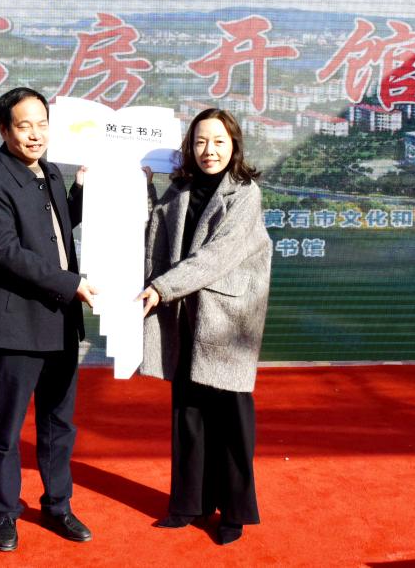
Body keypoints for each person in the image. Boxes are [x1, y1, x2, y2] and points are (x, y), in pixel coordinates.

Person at [0, 86, 99, 552]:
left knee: (59, 424)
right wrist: (72, 284)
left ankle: (58, 505)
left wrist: (83, 189)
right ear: (4, 130)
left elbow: (57, 227)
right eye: (24, 126)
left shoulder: (51, 171)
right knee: (6, 428)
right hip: (17, 327)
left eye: (42, 124)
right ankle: (4, 511)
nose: (35, 134)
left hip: (60, 321)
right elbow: (6, 251)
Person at [137, 108, 272, 545]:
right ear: (189, 147)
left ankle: (233, 512)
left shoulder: (245, 193)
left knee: (231, 418)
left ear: (234, 145)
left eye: (218, 141)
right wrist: (143, 187)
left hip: (228, 319)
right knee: (189, 412)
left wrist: (161, 288)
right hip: (186, 313)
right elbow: (152, 231)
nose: (208, 150)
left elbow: (218, 256)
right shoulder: (180, 188)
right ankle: (188, 505)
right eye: (199, 142)